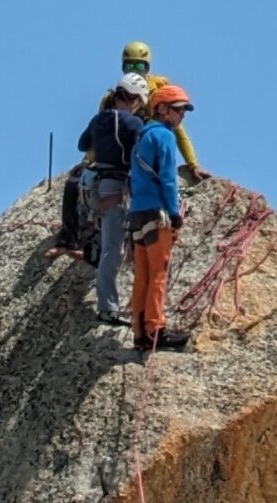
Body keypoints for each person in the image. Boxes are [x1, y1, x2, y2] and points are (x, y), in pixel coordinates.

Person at [128, 86, 195, 352]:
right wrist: (175, 212)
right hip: (157, 212)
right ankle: (156, 329)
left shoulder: (141, 137)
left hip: (137, 213)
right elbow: (168, 177)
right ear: (162, 110)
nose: (181, 116)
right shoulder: (164, 137)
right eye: (178, 110)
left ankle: (139, 333)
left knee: (142, 273)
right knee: (158, 273)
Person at [77, 85, 146, 325]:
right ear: (135, 99)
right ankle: (108, 307)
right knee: (115, 250)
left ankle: (111, 304)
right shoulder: (134, 123)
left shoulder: (98, 119)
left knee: (111, 245)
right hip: (120, 186)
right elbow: (142, 152)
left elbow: (83, 144)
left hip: (99, 186)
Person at [120, 42, 201, 174]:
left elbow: (179, 132)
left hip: (152, 155)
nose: (134, 71)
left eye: (139, 66)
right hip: (124, 158)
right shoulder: (113, 98)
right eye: (129, 66)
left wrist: (193, 164)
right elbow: (100, 130)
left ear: (147, 67)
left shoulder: (157, 94)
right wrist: (88, 160)